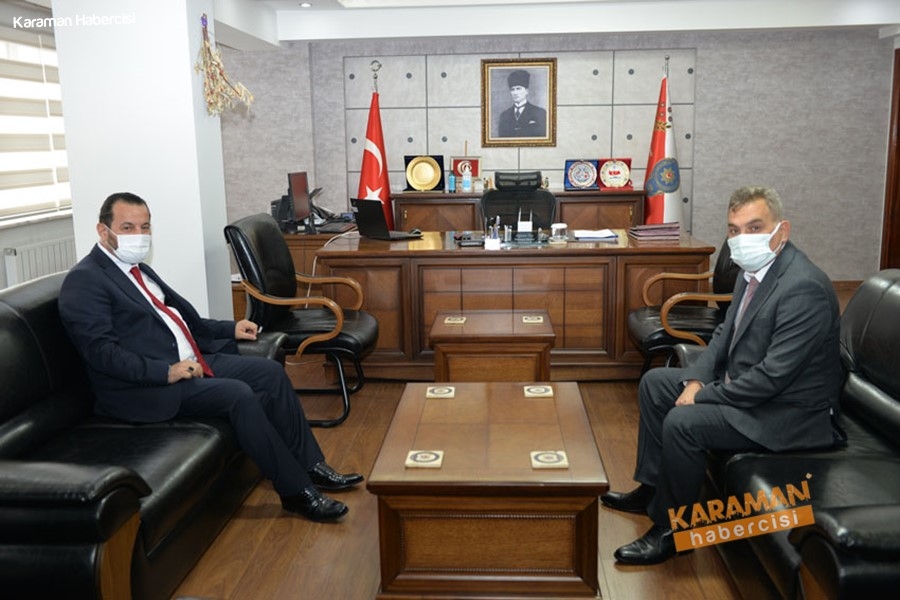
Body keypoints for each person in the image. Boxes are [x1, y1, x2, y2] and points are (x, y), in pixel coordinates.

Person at [58, 192, 364, 523]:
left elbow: (178, 319)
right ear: (103, 231)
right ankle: (296, 492)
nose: (139, 235)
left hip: (191, 360)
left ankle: (311, 465)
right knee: (238, 395)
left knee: (269, 373)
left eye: (145, 227)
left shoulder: (136, 270)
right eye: (128, 227)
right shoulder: (85, 281)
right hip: (144, 387)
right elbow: (102, 354)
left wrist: (229, 328)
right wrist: (165, 371)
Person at [601, 186, 842, 564]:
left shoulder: (803, 288)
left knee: (684, 422)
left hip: (786, 412)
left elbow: (772, 378)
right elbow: (722, 337)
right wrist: (696, 379)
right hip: (750, 388)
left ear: (782, 230)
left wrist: (701, 396)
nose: (743, 239)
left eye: (754, 227)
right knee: (655, 384)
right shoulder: (753, 272)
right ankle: (652, 489)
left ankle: (672, 531)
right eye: (734, 230)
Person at [497, 69, 547, 138]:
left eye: (518, 89)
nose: (515, 93)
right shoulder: (504, 116)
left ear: (526, 91)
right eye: (512, 89)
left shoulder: (540, 113)